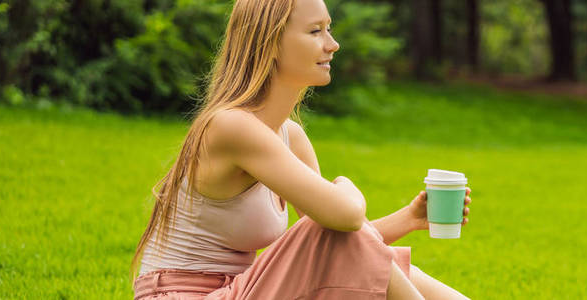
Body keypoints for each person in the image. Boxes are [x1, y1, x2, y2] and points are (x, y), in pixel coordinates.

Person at [129, 0, 473, 298]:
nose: (333, 44)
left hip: (240, 288)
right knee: (328, 223)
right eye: (315, 32)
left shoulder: (290, 135)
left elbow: (342, 243)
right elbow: (346, 216)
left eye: (329, 29)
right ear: (271, 43)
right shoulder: (231, 126)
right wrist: (344, 187)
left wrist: (410, 219)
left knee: (340, 236)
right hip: (183, 295)